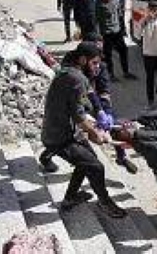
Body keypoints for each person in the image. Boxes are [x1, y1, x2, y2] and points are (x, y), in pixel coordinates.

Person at [40, 42, 127, 218]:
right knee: (95, 167)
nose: (97, 67)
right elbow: (79, 117)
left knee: (87, 161)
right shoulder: (76, 78)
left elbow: (81, 104)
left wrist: (99, 116)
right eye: (94, 63)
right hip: (59, 137)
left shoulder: (71, 71)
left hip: (61, 130)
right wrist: (96, 134)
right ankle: (105, 203)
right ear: (82, 59)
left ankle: (70, 198)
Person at [96, 0, 137, 81]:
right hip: (106, 32)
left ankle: (126, 72)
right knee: (107, 54)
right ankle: (110, 74)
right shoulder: (98, 1)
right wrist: (99, 35)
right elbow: (96, 19)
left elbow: (119, 14)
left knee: (123, 50)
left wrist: (123, 30)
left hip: (117, 30)